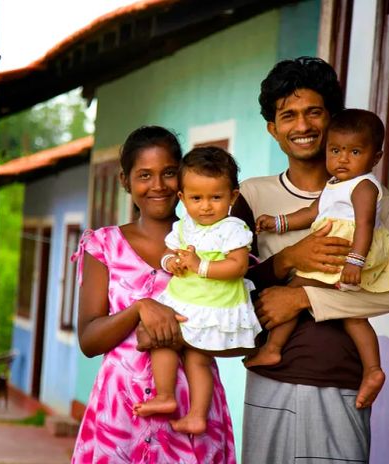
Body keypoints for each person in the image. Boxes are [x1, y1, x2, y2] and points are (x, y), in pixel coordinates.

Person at [231, 57, 389, 463]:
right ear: (273, 129)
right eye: (287, 115)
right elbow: (227, 286)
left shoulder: (375, 200)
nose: (303, 126)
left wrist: (303, 298)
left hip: (341, 379)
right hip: (269, 378)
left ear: (332, 119)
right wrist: (288, 258)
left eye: (314, 112)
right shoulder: (251, 197)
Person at [71, 126, 236, 464]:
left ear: (184, 177)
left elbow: (243, 331)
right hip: (121, 416)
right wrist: (140, 309)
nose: (158, 185)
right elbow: (89, 340)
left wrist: (187, 335)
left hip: (193, 414)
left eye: (169, 173)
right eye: (144, 175)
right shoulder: (103, 246)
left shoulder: (213, 245)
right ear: (124, 181)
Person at [246, 109, 389, 410]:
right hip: (337, 257)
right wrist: (278, 223)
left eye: (354, 151)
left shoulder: (365, 187)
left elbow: (366, 224)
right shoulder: (334, 185)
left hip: (346, 257)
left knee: (293, 291)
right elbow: (310, 215)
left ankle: (274, 348)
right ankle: (373, 369)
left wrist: (355, 261)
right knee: (353, 317)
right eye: (335, 151)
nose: (343, 159)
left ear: (376, 156)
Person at [134, 147, 262, 435]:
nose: (206, 206)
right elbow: (167, 253)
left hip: (215, 305)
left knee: (198, 358)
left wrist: (199, 265)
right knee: (162, 340)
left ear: (233, 196)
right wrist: (172, 262)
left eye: (216, 197)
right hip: (184, 301)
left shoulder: (233, 228)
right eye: (196, 198)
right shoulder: (185, 227)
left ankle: (196, 415)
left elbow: (238, 266)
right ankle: (166, 395)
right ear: (182, 198)